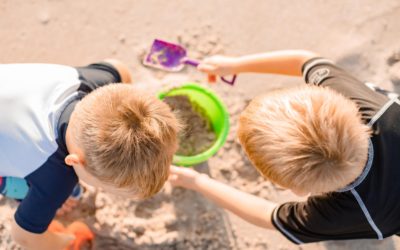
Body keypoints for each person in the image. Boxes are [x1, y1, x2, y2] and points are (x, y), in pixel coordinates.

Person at [169, 50, 400, 244]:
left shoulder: (351, 213)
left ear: (298, 191)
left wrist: (198, 182)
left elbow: (268, 215)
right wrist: (234, 65)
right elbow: (304, 61)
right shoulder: (365, 104)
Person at [0, 59, 179, 249]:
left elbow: (121, 69)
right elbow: (25, 237)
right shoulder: (57, 179)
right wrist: (68, 240)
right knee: (60, 194)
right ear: (75, 162)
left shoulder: (98, 80)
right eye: (104, 187)